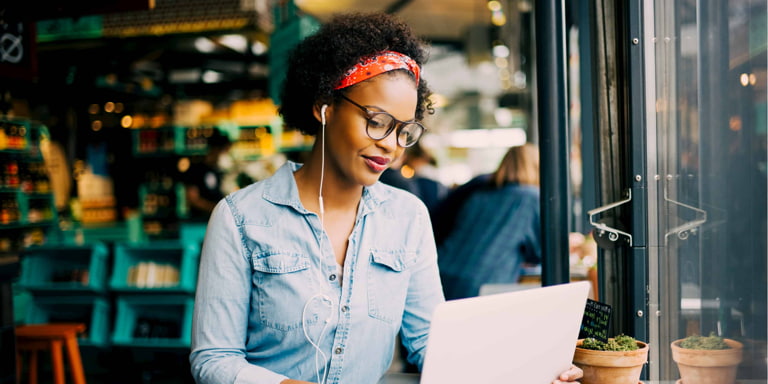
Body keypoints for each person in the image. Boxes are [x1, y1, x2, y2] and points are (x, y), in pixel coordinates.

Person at [189, 13, 582, 384]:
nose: (391, 146)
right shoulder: (241, 218)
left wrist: (526, 371)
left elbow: (431, 342)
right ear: (323, 107)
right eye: (376, 122)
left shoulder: (406, 216)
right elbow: (213, 359)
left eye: (404, 130)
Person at [437, 143, 543, 300]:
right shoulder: (531, 197)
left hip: (443, 275)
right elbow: (538, 253)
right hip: (482, 285)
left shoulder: (479, 195)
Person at [181, 128, 232, 220]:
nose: (227, 155)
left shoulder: (218, 171)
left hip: (218, 219)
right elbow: (193, 199)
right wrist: (216, 209)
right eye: (225, 151)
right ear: (216, 150)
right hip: (199, 222)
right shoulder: (196, 169)